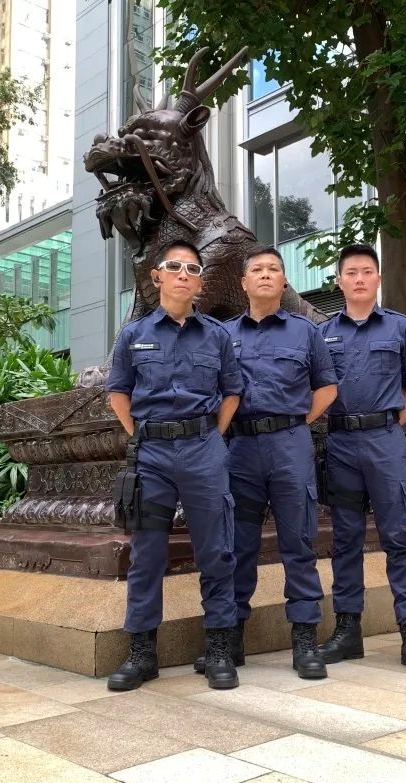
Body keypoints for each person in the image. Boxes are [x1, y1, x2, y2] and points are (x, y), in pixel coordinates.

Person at [192, 245, 338, 680]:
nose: (266, 274)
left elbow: (327, 388)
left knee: (299, 542)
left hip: (290, 444)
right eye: (257, 269)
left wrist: (295, 423)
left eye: (274, 268)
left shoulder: (305, 331)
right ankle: (231, 637)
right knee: (236, 546)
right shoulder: (223, 334)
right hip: (240, 448)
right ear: (243, 282)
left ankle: (305, 640)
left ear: (284, 280)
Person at [105, 239, 244, 691]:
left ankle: (219, 648)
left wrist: (212, 435)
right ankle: (142, 654)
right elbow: (118, 393)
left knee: (216, 550)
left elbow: (232, 392)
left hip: (204, 450)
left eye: (192, 269)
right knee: (147, 554)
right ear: (157, 276)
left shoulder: (216, 336)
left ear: (200, 282)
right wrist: (141, 434)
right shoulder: (133, 335)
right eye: (174, 266)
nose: (184, 274)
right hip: (152, 456)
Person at [316, 244, 406, 675]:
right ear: (340, 281)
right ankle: (347, 631)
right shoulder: (323, 333)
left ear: (378, 279)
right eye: (351, 272)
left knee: (399, 538)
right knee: (346, 540)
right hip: (341, 443)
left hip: (385, 441)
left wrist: (391, 423)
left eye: (367, 271)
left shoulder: (401, 327)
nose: (360, 279)